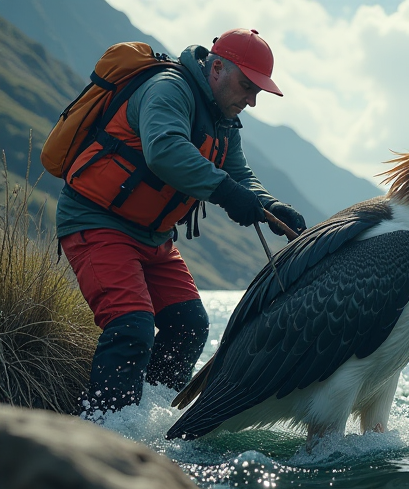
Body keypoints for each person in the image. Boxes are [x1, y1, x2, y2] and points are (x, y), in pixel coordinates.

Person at [56, 29, 307, 415]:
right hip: (98, 222)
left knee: (189, 325)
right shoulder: (168, 88)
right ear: (217, 67)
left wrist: (271, 206)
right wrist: (226, 192)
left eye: (258, 92)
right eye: (247, 86)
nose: (251, 101)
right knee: (131, 327)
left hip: (154, 239)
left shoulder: (224, 121)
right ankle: (103, 432)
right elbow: (165, 151)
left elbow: (240, 175)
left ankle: (150, 419)